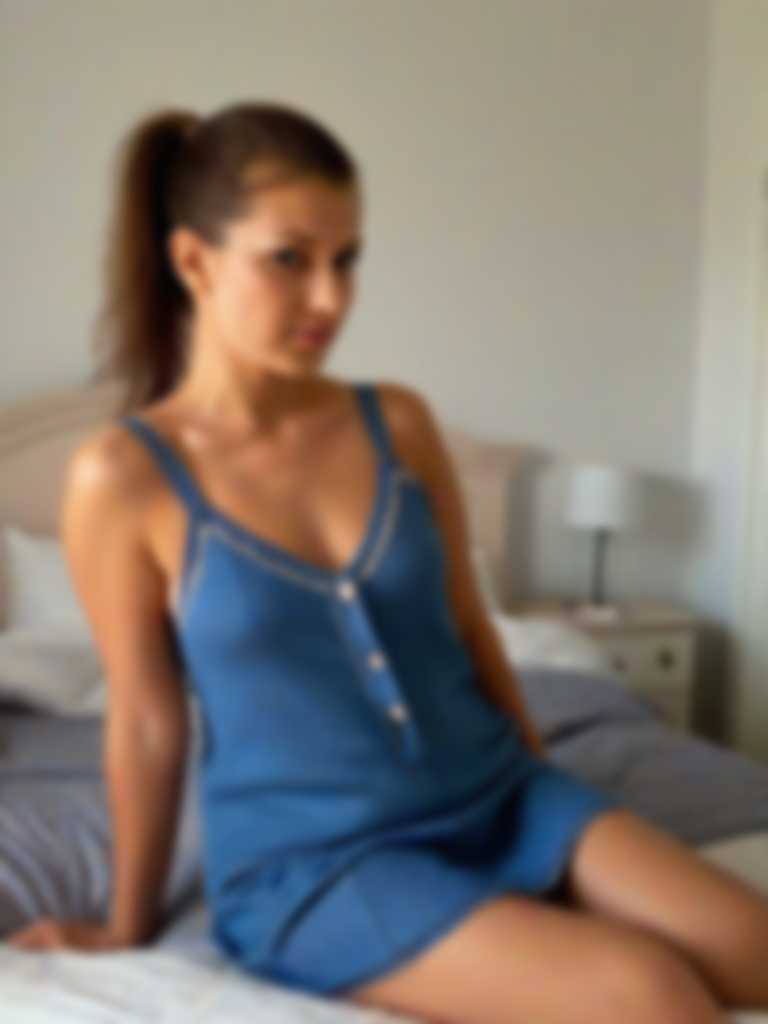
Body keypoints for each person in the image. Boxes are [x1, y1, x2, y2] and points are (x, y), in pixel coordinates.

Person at [8, 100, 768, 1023]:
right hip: (322, 865)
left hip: (499, 795)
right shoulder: (124, 477)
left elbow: (470, 627)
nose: (330, 298)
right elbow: (144, 719)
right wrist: (125, 924)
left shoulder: (396, 423)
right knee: (653, 996)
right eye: (290, 259)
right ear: (194, 261)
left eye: (347, 259)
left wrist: (550, 800)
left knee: (755, 949)